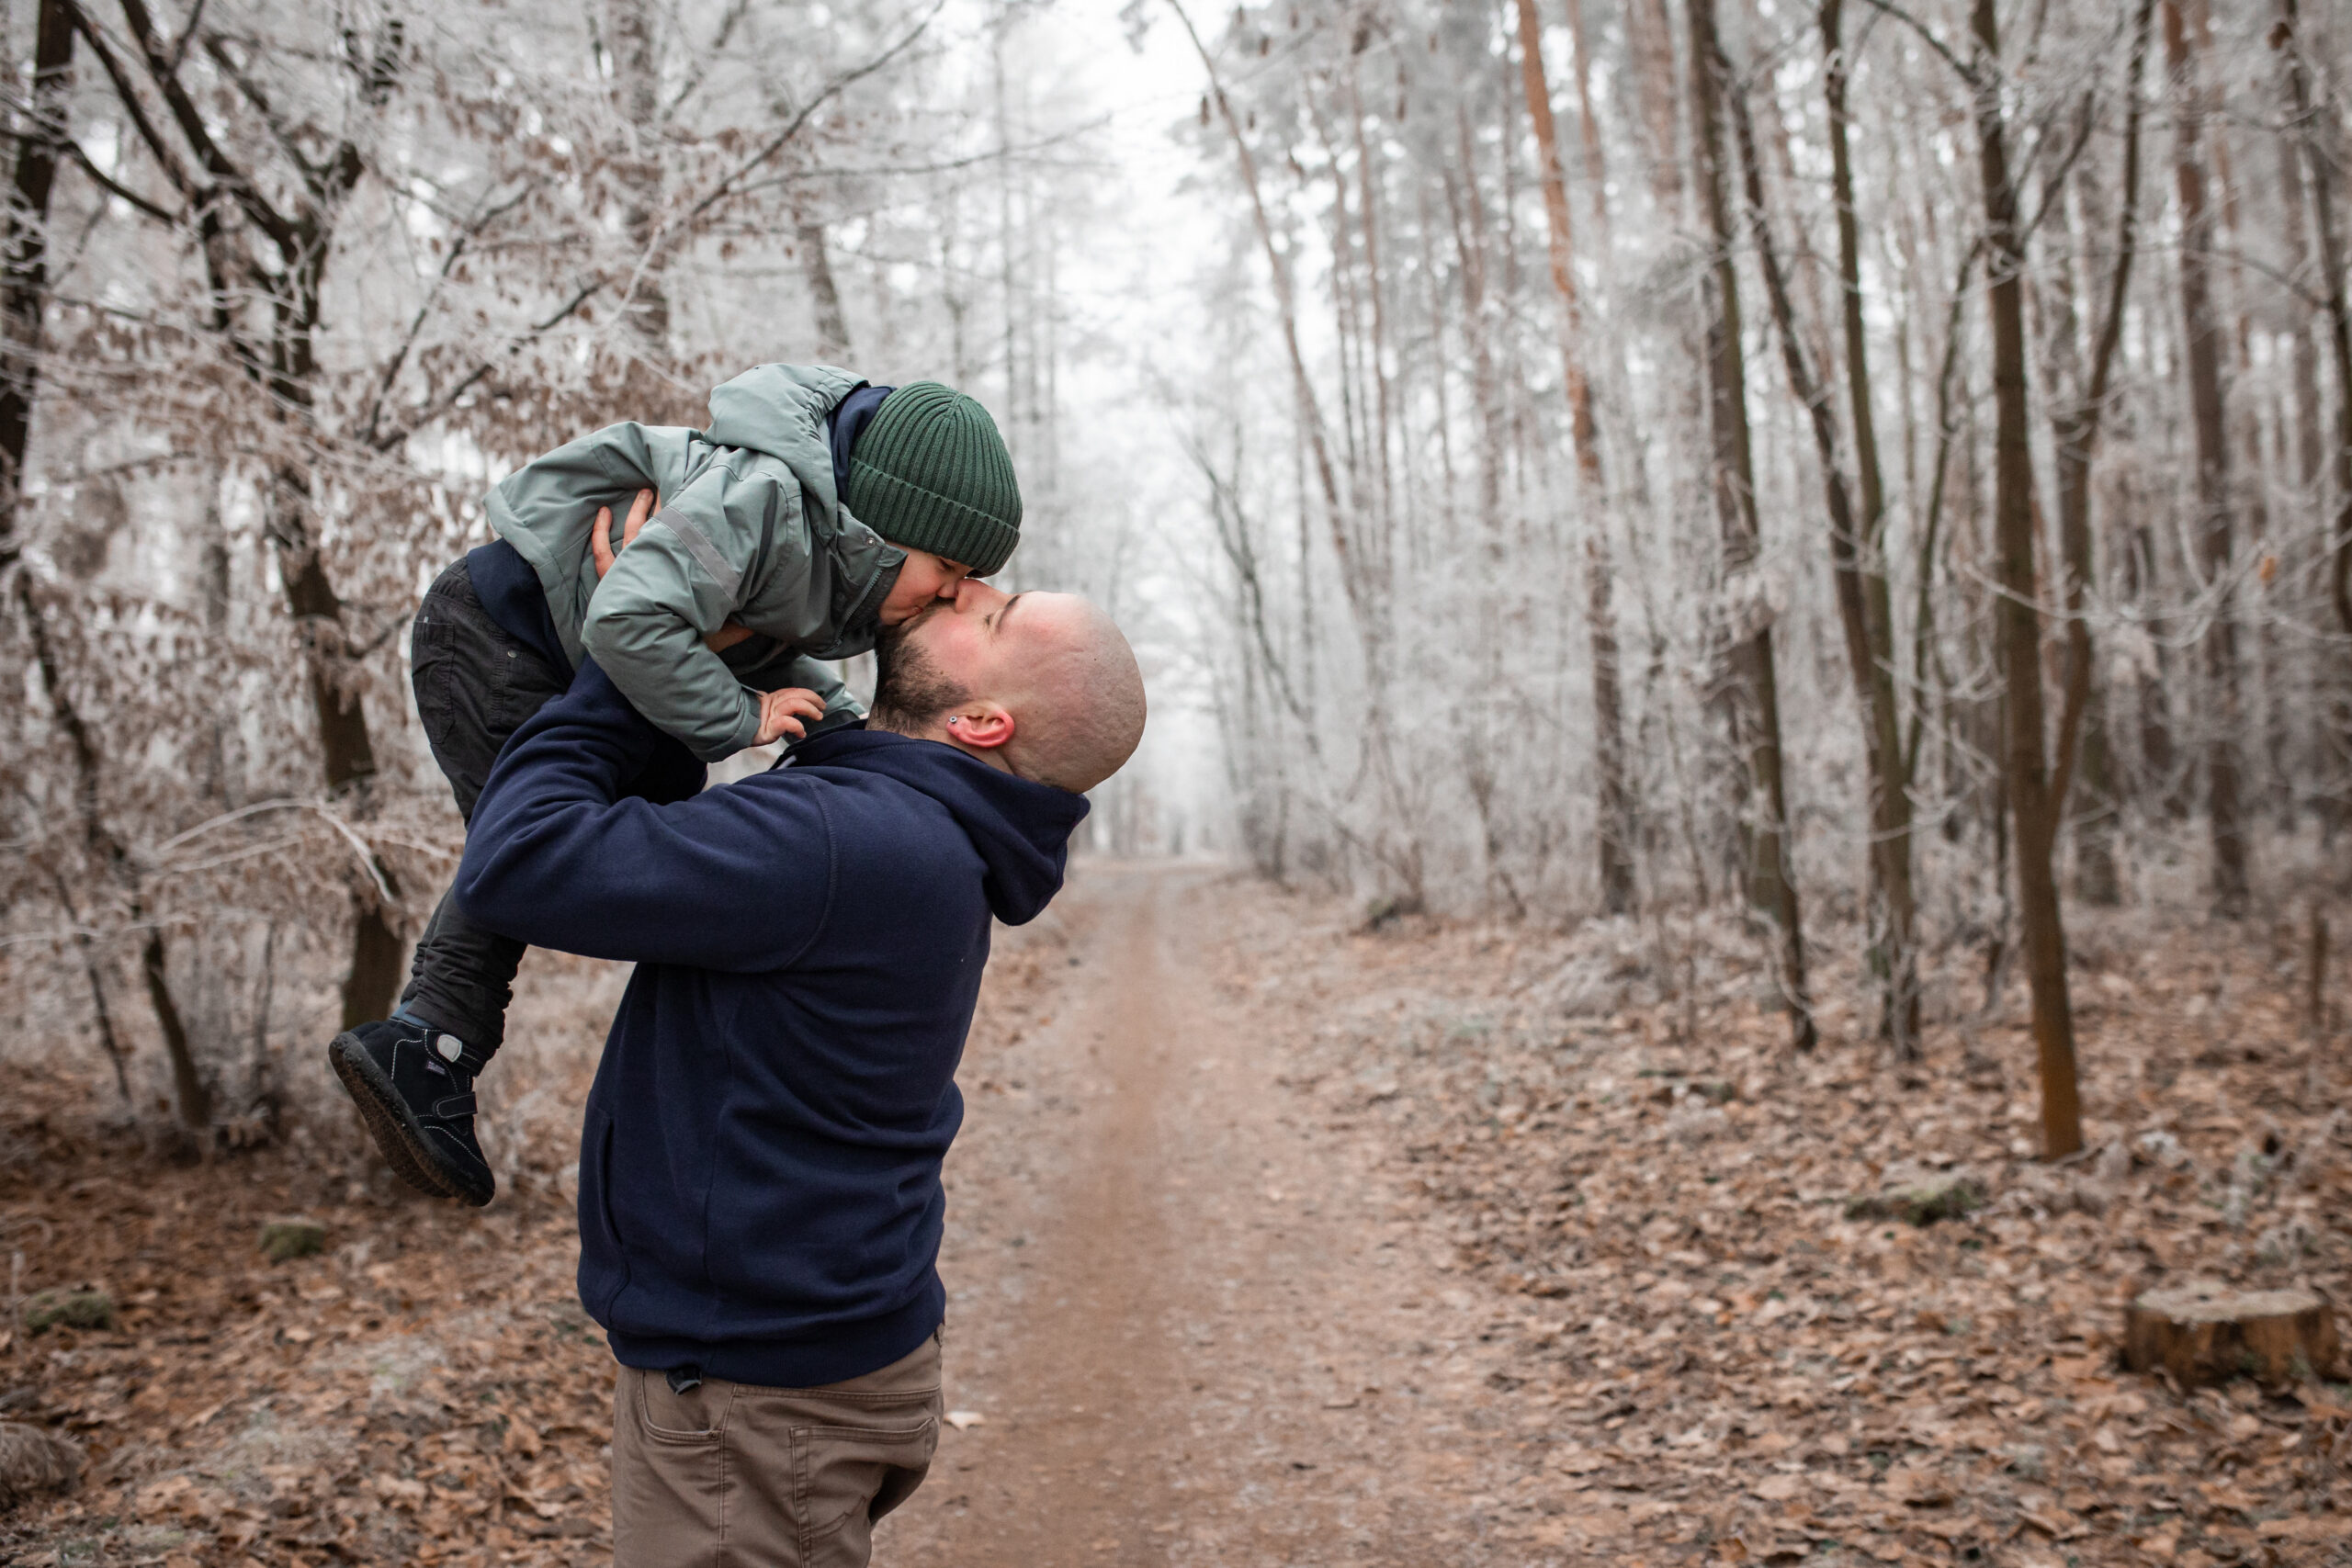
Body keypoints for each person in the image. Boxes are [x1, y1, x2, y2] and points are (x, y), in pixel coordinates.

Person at [451, 571, 1146, 1565]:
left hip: (758, 1402)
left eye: (989, 619)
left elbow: (518, 860)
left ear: (986, 721)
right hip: (806, 1359)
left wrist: (624, 648)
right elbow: (832, 753)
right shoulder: (914, 829)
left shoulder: (851, 843)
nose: (968, 592)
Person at [330, 365, 1026, 1208]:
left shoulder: (827, 547)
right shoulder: (764, 502)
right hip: (497, 635)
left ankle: (433, 1040)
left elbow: (752, 635)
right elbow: (631, 621)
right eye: (948, 566)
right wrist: (745, 715)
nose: (954, 593)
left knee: (658, 783)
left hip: (552, 648)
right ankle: (430, 1042)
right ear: (881, 522)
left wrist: (837, 727)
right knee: (530, 854)